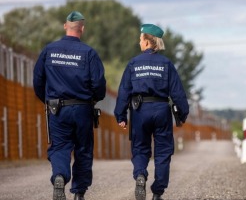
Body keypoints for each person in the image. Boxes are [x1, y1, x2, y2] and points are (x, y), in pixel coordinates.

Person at [33, 11, 106, 200]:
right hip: (82, 109)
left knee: (60, 147)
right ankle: (79, 193)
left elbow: (38, 81)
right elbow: (98, 84)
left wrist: (49, 101)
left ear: (65, 26)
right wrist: (93, 100)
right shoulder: (89, 53)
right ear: (82, 28)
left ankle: (59, 176)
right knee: (83, 149)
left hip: (57, 109)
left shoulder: (49, 50)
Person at [114, 24, 189, 200]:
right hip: (162, 110)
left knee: (140, 148)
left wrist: (121, 115)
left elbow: (124, 91)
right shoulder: (166, 64)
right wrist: (183, 113)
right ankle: (157, 192)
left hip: (139, 111)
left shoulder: (133, 63)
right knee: (163, 151)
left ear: (148, 42)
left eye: (140, 39)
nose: (139, 42)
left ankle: (140, 174)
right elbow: (177, 92)